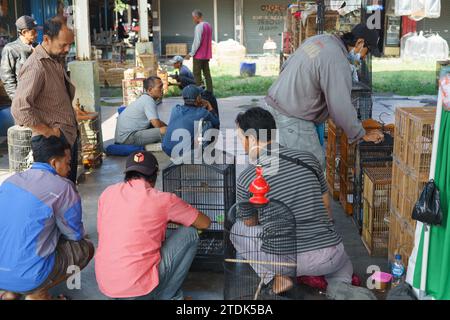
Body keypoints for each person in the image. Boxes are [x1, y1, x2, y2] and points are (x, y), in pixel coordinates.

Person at [232, 107, 353, 295]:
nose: (242, 145)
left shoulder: (247, 178)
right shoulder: (309, 159)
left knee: (237, 230)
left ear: (253, 139)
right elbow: (327, 207)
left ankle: (276, 278)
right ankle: (340, 285)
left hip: (284, 261)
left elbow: (250, 223)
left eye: (241, 139)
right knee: (342, 262)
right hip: (328, 255)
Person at [265, 24, 385, 170]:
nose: (364, 57)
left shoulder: (320, 40)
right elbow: (340, 106)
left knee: (285, 166)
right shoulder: (337, 59)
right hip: (293, 117)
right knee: (313, 168)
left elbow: (288, 66)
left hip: (274, 103)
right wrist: (361, 134)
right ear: (360, 43)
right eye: (368, 51)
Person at [95, 151, 211, 300]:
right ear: (155, 175)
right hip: (138, 290)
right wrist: (174, 218)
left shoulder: (107, 193)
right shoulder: (163, 200)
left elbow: (104, 231)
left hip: (107, 285)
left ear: (127, 174)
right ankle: (170, 297)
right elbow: (205, 223)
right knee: (190, 233)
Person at [0, 136, 94, 300]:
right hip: (29, 277)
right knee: (85, 247)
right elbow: (74, 235)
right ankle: (36, 294)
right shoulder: (63, 188)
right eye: (67, 162)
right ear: (53, 163)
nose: (69, 167)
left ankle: (10, 293)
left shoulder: (9, 181)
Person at [11, 17, 79, 183]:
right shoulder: (36, 66)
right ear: (47, 39)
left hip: (65, 137)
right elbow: (19, 108)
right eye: (63, 44)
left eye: (70, 44)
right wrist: (48, 131)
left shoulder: (54, 59)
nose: (67, 49)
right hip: (52, 143)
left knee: (67, 190)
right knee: (54, 194)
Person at [162, 85, 220, 158]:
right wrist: (209, 105)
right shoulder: (203, 112)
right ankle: (204, 154)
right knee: (207, 124)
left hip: (166, 148)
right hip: (182, 153)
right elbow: (216, 122)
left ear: (183, 98)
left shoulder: (176, 108)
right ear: (198, 98)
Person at [115, 76, 167, 147]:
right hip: (127, 138)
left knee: (163, 129)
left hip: (122, 138)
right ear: (150, 90)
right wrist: (168, 127)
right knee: (166, 131)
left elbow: (155, 122)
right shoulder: (148, 101)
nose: (162, 89)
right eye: (160, 87)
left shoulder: (144, 98)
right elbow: (156, 124)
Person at [0, 16, 37, 100]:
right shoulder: (11, 49)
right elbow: (7, 79)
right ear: (24, 32)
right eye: (33, 32)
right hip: (23, 99)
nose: (36, 34)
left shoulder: (37, 47)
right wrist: (18, 100)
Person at [185, 10, 213, 93]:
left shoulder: (199, 27)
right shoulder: (208, 25)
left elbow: (197, 42)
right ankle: (210, 92)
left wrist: (190, 54)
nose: (193, 20)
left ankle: (200, 94)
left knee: (197, 75)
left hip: (198, 56)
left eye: (193, 18)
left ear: (197, 17)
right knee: (207, 75)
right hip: (206, 55)